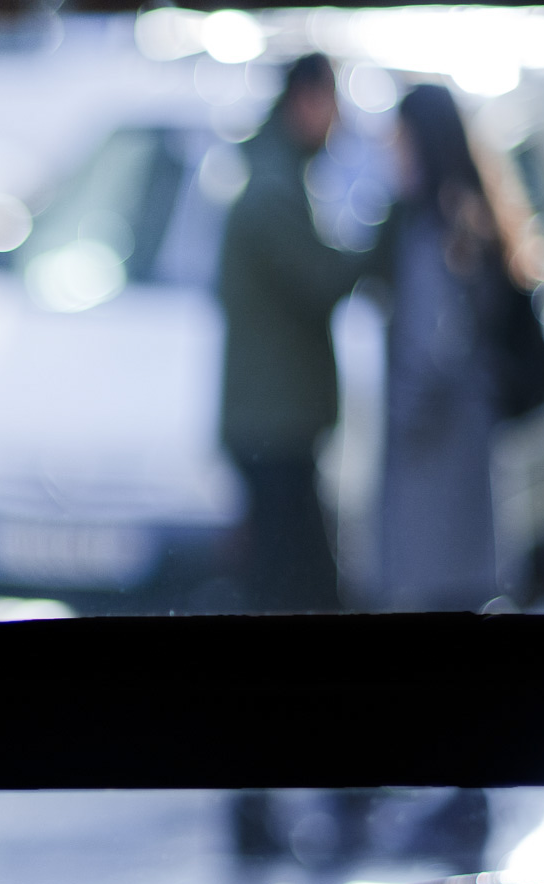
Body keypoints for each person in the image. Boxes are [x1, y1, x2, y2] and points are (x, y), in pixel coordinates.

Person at [373, 84, 539, 611]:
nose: (390, 152)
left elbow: (432, 344)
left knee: (437, 592)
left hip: (435, 447)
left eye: (397, 140)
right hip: (469, 430)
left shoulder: (435, 228)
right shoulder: (473, 212)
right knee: (467, 587)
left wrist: (405, 416)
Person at [217, 53, 371, 613]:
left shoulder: (276, 173)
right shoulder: (272, 187)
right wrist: (388, 233)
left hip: (272, 419)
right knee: (295, 582)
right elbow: (322, 279)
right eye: (333, 103)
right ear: (306, 100)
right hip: (272, 424)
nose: (338, 120)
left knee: (288, 573)